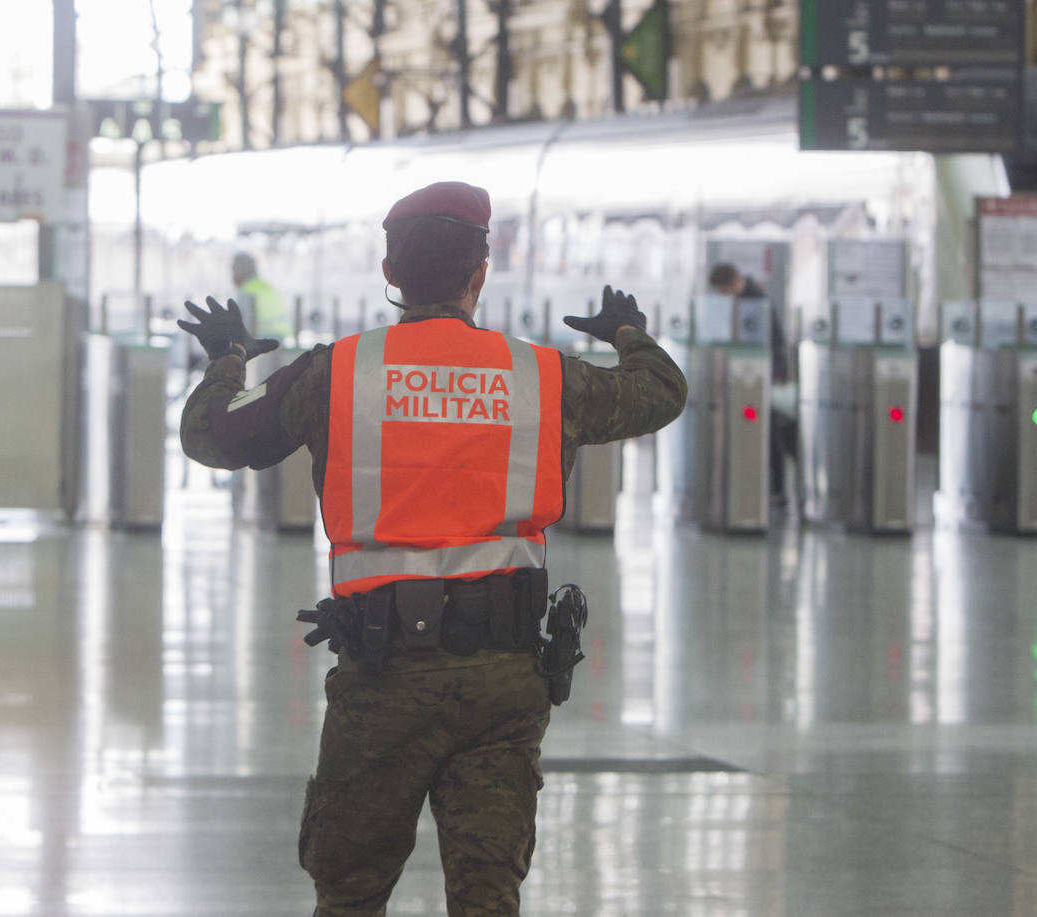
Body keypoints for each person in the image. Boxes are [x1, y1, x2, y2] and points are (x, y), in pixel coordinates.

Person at [178, 180, 687, 916]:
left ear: (390, 275)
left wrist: (227, 358)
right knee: (488, 897)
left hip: (383, 677)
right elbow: (660, 391)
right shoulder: (543, 378)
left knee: (350, 893)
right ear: (480, 274)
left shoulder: (335, 372)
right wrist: (628, 331)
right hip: (504, 680)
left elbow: (210, 433)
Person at [708, 261, 797, 504]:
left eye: (723, 290)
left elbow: (774, 340)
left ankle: (777, 487)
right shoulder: (746, 301)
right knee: (759, 428)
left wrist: (777, 372)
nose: (723, 296)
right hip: (751, 372)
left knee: (766, 430)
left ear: (733, 282)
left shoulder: (756, 302)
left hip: (760, 373)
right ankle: (756, 484)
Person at [232, 250, 293, 342]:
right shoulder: (267, 287)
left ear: (239, 270)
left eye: (233, 269)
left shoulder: (246, 291)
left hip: (261, 340)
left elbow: (244, 326)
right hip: (282, 339)